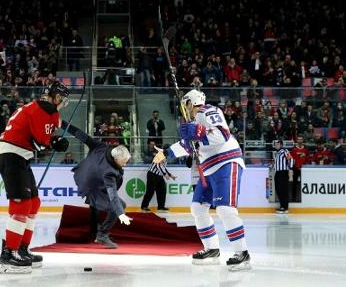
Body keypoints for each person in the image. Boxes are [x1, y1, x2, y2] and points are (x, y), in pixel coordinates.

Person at [153, 89, 250, 271]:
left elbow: (222, 135)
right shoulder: (193, 122)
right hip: (208, 168)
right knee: (197, 208)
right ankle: (212, 249)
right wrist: (166, 153)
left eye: (185, 104)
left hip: (226, 162)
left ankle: (242, 253)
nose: (184, 109)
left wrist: (199, 132)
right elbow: (187, 146)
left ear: (192, 102)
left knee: (225, 209)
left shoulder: (209, 111)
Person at [0, 82, 70, 274]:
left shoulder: (40, 108)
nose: (63, 104)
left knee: (33, 202)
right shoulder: (44, 110)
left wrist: (53, 140)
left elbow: (39, 139)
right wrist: (55, 142)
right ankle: (9, 254)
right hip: (12, 155)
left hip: (19, 156)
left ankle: (21, 248)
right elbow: (39, 143)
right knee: (21, 204)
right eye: (63, 100)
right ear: (56, 97)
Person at [61, 120, 132, 249]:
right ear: (116, 159)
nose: (125, 165)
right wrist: (121, 213)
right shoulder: (110, 172)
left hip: (85, 176)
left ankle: (94, 232)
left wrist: (63, 124)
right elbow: (113, 196)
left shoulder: (101, 147)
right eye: (123, 162)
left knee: (95, 206)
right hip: (92, 185)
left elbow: (82, 135)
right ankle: (102, 234)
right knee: (121, 205)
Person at [273, 140, 295, 214]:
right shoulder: (276, 153)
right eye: (275, 144)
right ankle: (282, 206)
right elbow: (276, 162)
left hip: (283, 172)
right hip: (277, 172)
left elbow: (291, 159)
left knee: (283, 190)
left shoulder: (284, 150)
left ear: (281, 145)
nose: (276, 145)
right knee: (278, 189)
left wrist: (290, 168)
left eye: (278, 144)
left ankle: (285, 207)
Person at [289, 136, 311, 202]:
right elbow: (291, 159)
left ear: (303, 140)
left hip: (304, 169)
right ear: (297, 140)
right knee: (294, 184)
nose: (300, 140)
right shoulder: (293, 149)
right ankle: (293, 198)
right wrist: (292, 167)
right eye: (298, 139)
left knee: (305, 184)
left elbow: (308, 159)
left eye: (301, 139)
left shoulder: (306, 149)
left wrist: (305, 166)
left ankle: (306, 198)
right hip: (295, 169)